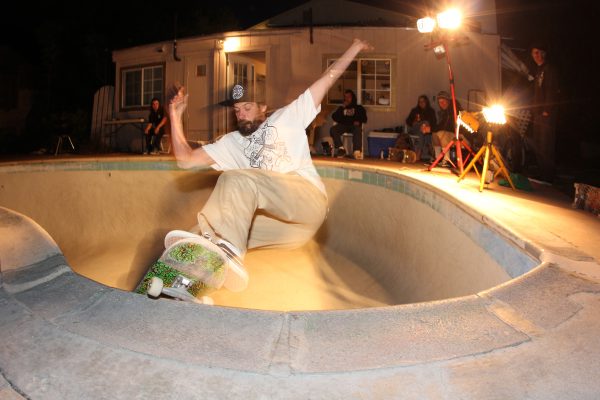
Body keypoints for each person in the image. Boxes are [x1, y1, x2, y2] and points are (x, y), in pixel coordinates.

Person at [166, 39, 373, 294]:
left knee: (237, 179)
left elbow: (327, 79)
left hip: (307, 202)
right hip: (283, 230)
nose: (241, 113)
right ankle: (183, 286)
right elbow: (185, 160)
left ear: (262, 107)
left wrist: (353, 47)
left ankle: (229, 254)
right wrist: (175, 116)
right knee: (203, 232)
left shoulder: (287, 117)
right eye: (237, 109)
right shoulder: (230, 143)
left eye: (248, 107)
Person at [528, 42, 559, 182]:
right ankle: (542, 173)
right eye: (534, 53)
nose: (537, 56)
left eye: (539, 53)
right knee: (538, 143)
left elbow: (551, 90)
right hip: (537, 112)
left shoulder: (549, 70)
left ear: (544, 54)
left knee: (546, 144)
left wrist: (547, 109)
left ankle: (548, 175)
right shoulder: (538, 70)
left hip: (546, 113)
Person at [432, 90, 467, 167]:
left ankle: (446, 160)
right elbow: (441, 126)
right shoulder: (445, 112)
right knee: (434, 135)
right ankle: (438, 158)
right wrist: (430, 129)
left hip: (462, 137)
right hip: (453, 135)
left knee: (441, 134)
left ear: (448, 101)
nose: (442, 104)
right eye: (440, 102)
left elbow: (446, 127)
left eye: (443, 101)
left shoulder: (454, 109)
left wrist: (431, 128)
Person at [330, 89, 368, 158]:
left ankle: (356, 151)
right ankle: (341, 149)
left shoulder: (359, 108)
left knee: (357, 129)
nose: (347, 99)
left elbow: (364, 118)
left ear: (352, 98)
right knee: (333, 129)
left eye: (349, 97)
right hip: (343, 125)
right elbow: (334, 117)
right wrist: (342, 108)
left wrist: (359, 121)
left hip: (353, 126)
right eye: (345, 97)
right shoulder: (342, 108)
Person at [405, 95, 437, 162]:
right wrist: (414, 122)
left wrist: (425, 126)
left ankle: (419, 154)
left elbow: (434, 123)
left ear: (426, 102)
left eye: (423, 101)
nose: (421, 103)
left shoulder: (431, 111)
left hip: (425, 130)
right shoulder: (414, 110)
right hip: (414, 128)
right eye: (420, 102)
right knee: (424, 124)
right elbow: (408, 121)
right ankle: (427, 154)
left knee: (422, 131)